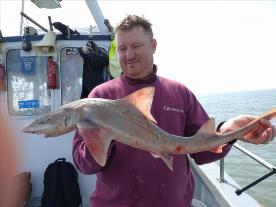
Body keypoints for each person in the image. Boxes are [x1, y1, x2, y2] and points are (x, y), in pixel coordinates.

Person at [72, 15, 275, 207]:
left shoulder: (179, 92)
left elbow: (202, 153)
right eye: (122, 48)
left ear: (153, 46)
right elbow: (84, 164)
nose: (128, 55)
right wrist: (102, 138)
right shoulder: (101, 97)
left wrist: (230, 131)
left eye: (136, 46)